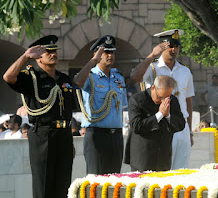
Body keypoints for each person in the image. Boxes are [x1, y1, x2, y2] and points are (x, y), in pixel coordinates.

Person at [3, 35, 75, 198]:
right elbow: (8, 77)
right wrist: (25, 56)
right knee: (43, 186)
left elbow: (67, 111)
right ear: (37, 57)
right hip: (43, 135)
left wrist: (69, 138)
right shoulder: (31, 77)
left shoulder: (64, 78)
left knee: (64, 185)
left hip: (63, 135)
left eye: (54, 51)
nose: (53, 54)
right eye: (47, 51)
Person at [130, 29, 195, 169]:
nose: (174, 49)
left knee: (181, 171)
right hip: (160, 127)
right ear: (162, 46)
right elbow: (135, 77)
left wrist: (189, 131)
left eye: (176, 46)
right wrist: (153, 54)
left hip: (180, 125)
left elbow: (188, 102)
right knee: (164, 172)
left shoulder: (185, 71)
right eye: (170, 45)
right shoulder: (152, 67)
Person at [73, 35, 128, 174]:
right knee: (96, 179)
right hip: (96, 134)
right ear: (97, 54)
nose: (110, 55)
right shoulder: (89, 75)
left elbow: (120, 106)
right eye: (106, 52)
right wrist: (93, 61)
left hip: (116, 135)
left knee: (115, 180)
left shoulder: (118, 76)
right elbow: (77, 82)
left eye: (112, 52)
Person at [124, 75, 185, 172]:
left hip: (163, 157)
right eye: (160, 97)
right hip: (142, 158)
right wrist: (160, 115)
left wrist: (168, 116)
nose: (162, 101)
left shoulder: (172, 100)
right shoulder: (137, 100)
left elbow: (181, 125)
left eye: (166, 98)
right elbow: (136, 126)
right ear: (153, 88)